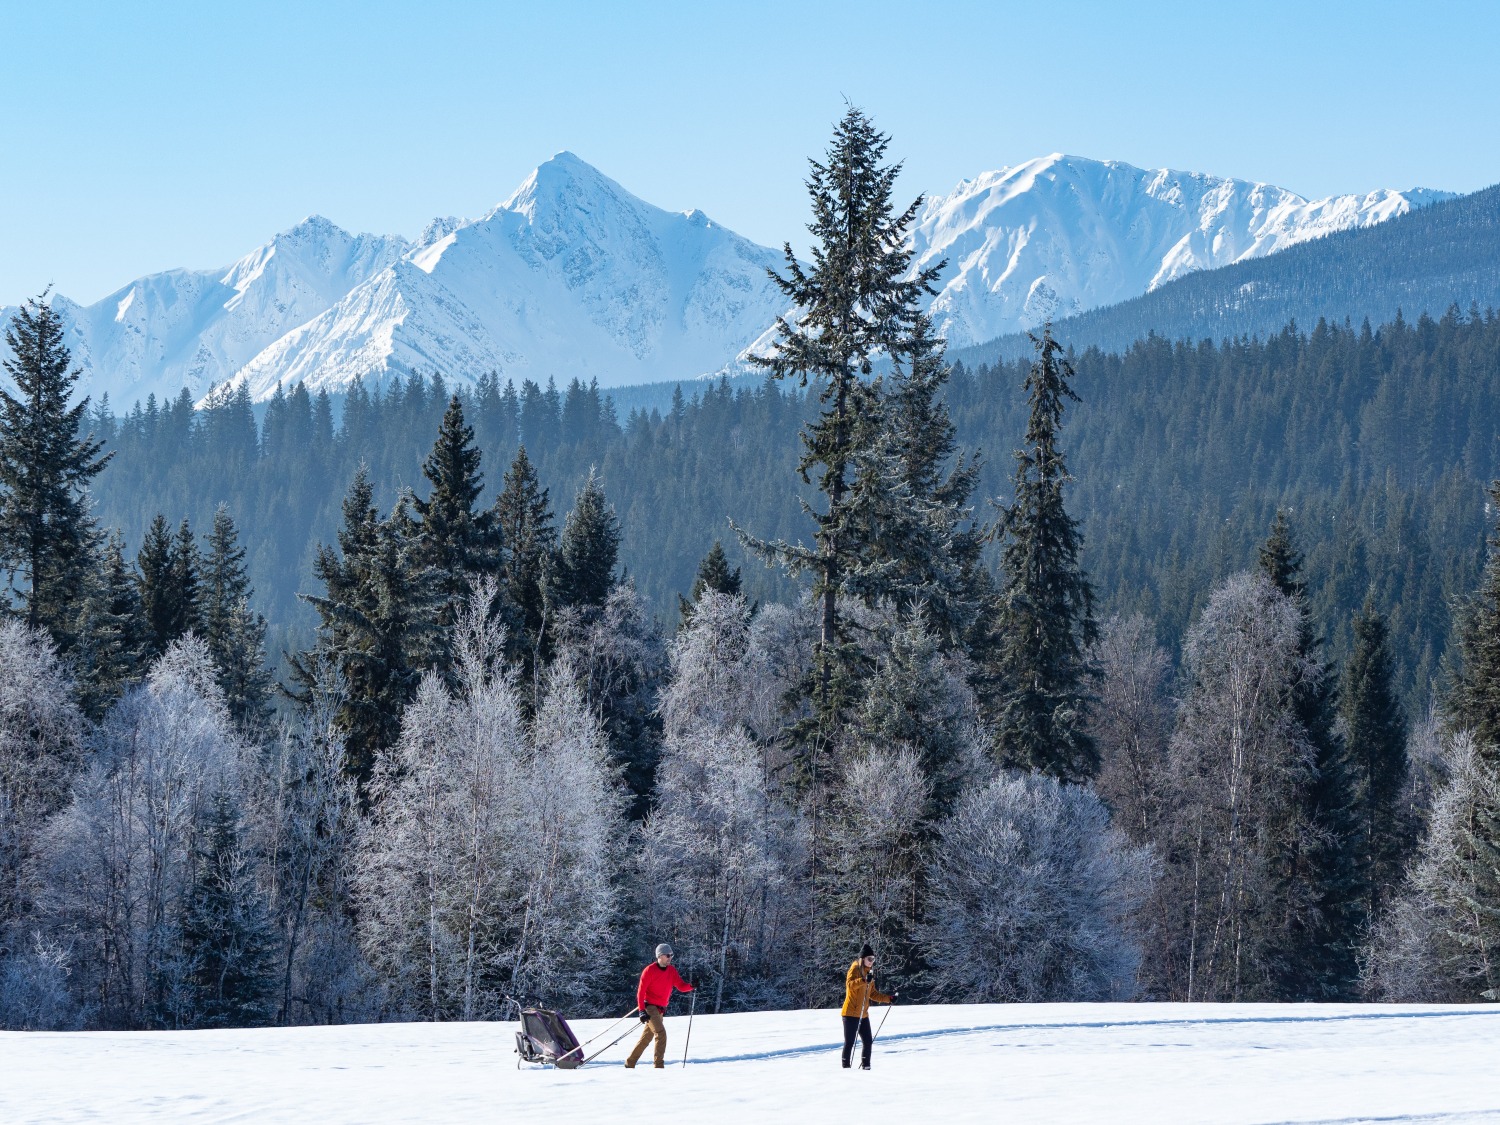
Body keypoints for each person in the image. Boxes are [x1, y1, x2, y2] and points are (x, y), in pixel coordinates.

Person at [625, 943, 695, 1069]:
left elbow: (681, 986)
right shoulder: (649, 970)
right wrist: (642, 1011)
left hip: (660, 1010)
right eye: (668, 955)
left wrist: (691, 985)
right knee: (661, 1034)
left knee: (646, 1038)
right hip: (650, 1007)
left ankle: (629, 1063)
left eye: (671, 955)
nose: (670, 958)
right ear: (660, 956)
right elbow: (641, 992)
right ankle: (659, 1066)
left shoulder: (671, 971)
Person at [841, 943, 895, 1070]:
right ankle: (845, 1069)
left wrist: (889, 999)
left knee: (868, 1041)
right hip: (850, 1013)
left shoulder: (869, 973)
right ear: (862, 959)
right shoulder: (855, 969)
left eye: (873, 959)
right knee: (849, 1043)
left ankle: (866, 1067)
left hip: (863, 1014)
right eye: (869, 959)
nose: (871, 962)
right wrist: (864, 980)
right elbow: (850, 985)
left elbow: (873, 994)